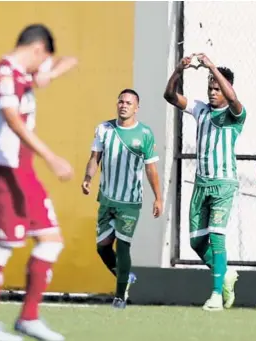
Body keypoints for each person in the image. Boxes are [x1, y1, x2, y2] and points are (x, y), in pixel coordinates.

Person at [0, 24, 78, 341]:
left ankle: (28, 317)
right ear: (35, 50)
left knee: (51, 240)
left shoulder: (23, 75)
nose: (40, 67)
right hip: (4, 174)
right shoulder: (5, 73)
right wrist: (51, 156)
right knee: (1, 247)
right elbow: (13, 119)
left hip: (24, 174)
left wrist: (52, 71)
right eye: (41, 59)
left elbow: (64, 62)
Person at [163, 53, 243, 311]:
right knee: (196, 242)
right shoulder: (200, 109)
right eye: (210, 87)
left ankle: (216, 295)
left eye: (216, 88)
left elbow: (232, 99)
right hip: (201, 184)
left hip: (223, 184)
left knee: (217, 238)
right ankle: (227, 275)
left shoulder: (235, 114)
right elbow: (170, 96)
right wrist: (178, 70)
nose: (212, 92)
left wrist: (210, 65)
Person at [82, 89, 163, 309]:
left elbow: (151, 169)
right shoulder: (104, 129)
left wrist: (158, 198)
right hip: (107, 198)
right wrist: (88, 177)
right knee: (102, 247)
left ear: (136, 107)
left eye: (129, 103)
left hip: (130, 201)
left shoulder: (145, 133)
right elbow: (94, 158)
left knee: (124, 245)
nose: (123, 105)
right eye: (120, 101)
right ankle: (125, 276)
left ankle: (119, 296)